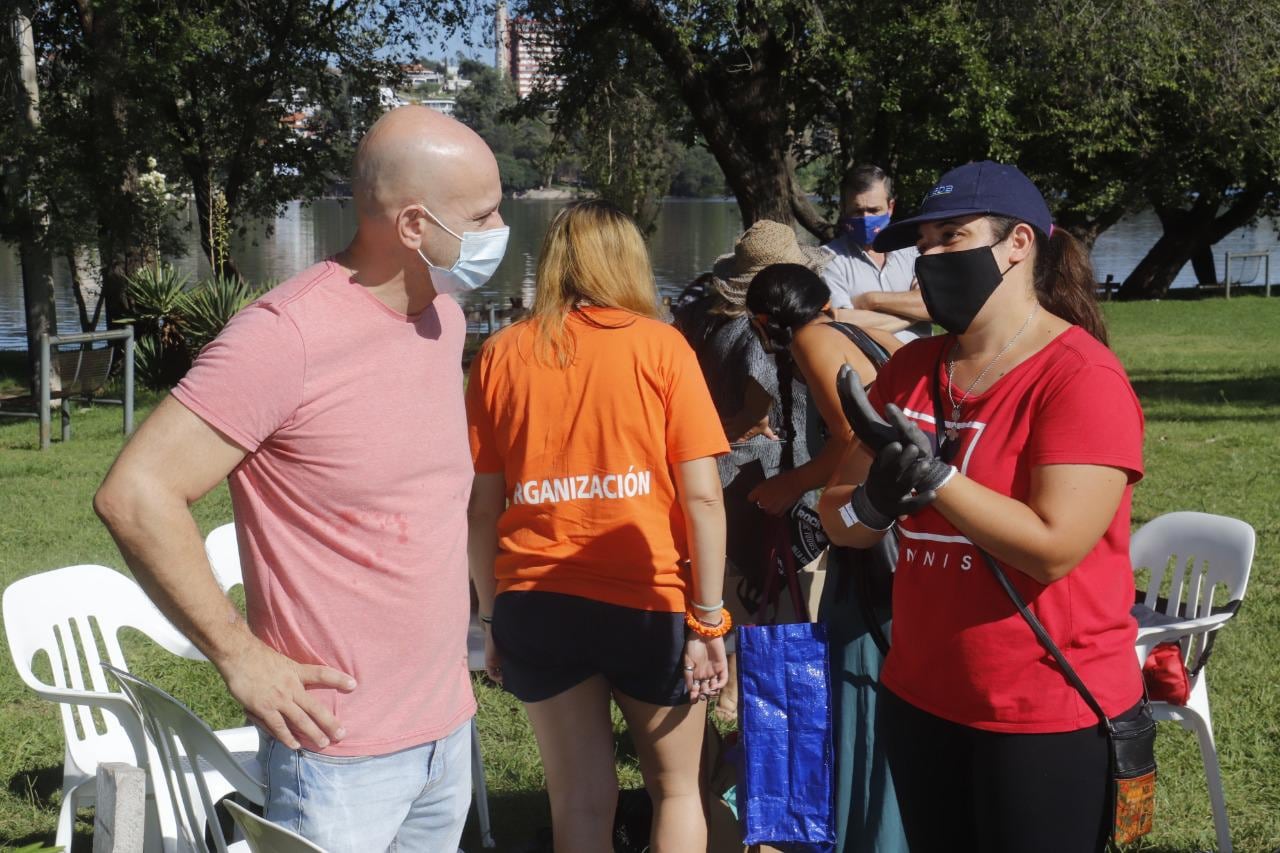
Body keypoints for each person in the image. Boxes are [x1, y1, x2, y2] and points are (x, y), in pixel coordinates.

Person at [93, 106, 508, 852]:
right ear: (414, 225)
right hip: (337, 752)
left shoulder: (443, 317)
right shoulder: (284, 338)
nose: (498, 228)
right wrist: (239, 653)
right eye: (482, 214)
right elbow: (136, 491)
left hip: (446, 729)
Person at [818, 160, 1145, 853]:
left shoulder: (1080, 377)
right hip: (920, 695)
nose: (932, 255)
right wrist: (872, 504)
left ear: (1018, 243)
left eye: (952, 236)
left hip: (1046, 707)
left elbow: (1054, 545)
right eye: (925, 241)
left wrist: (935, 480)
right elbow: (836, 519)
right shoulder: (910, 370)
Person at [466, 200, 731, 853]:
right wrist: (709, 617)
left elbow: (479, 506)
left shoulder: (500, 353)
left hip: (537, 602)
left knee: (579, 804)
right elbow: (702, 499)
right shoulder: (663, 347)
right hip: (650, 602)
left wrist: (491, 617)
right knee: (675, 790)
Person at [744, 264, 906, 853]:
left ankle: (857, 826)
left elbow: (850, 438)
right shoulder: (859, 329)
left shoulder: (812, 341)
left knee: (859, 667)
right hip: (905, 523)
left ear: (765, 321)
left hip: (869, 528)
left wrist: (791, 485)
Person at [671, 220, 831, 722]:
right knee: (775, 600)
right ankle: (747, 706)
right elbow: (757, 413)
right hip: (768, 477)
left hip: (712, 473)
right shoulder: (760, 331)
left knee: (728, 589)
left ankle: (726, 698)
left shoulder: (702, 318)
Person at [822, 165, 932, 342]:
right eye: (857, 211)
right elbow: (842, 324)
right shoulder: (829, 259)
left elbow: (935, 303)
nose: (866, 218)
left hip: (923, 365)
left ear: (890, 207)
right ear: (843, 209)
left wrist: (871, 300)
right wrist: (913, 314)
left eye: (874, 210)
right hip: (869, 368)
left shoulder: (914, 251)